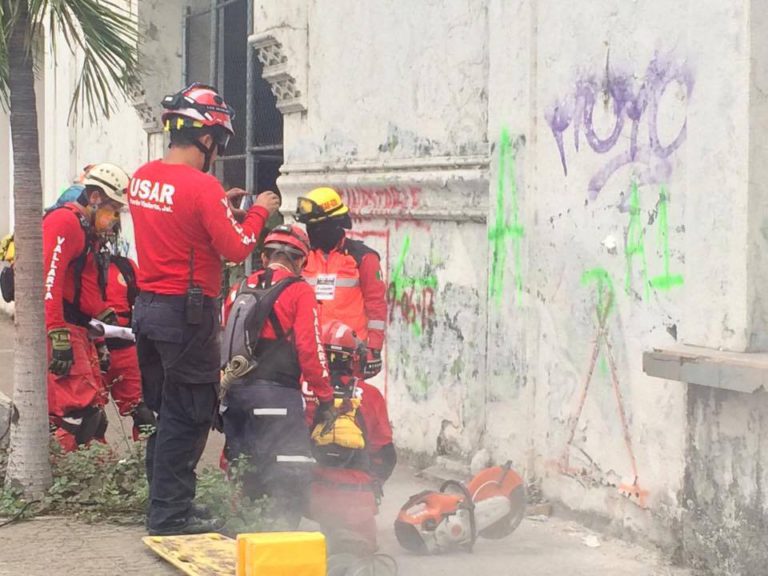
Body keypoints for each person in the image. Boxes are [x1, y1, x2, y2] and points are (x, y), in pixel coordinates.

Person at [129, 82, 280, 536]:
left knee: (163, 411)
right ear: (208, 139)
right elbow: (235, 249)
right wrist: (257, 212)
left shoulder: (142, 177)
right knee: (189, 413)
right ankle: (170, 516)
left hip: (148, 311)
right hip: (185, 317)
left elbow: (183, 228)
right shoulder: (203, 186)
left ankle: (162, 503)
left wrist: (221, 209)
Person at [220, 224, 334, 530]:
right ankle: (278, 536)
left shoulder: (238, 288)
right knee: (287, 467)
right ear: (302, 260)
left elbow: (223, 338)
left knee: (242, 464)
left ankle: (240, 529)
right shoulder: (299, 291)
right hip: (277, 397)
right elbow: (310, 349)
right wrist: (325, 397)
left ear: (264, 255)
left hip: (235, 395)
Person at [43, 162, 130, 452]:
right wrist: (57, 334)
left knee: (94, 414)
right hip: (61, 326)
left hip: (78, 328)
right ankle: (63, 478)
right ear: (94, 198)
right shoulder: (64, 223)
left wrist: (107, 324)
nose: (114, 218)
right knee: (76, 413)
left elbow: (87, 287)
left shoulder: (87, 233)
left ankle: (89, 478)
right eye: (112, 209)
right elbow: (49, 282)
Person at [304, 320, 396, 554]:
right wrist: (371, 486)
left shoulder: (302, 391)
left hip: (314, 497)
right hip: (357, 497)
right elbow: (386, 454)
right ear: (354, 358)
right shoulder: (371, 395)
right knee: (364, 558)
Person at [295, 187, 387, 378]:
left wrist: (374, 349)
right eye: (308, 226)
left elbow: (376, 306)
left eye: (316, 226)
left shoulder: (364, 258)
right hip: (309, 351)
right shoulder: (302, 257)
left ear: (335, 224)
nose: (311, 232)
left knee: (351, 407)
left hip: (349, 355)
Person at [99, 249, 156, 440]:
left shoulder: (125, 267)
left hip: (123, 347)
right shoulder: (73, 265)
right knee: (90, 418)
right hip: (88, 348)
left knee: (143, 415)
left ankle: (144, 464)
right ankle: (96, 464)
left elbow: (145, 299)